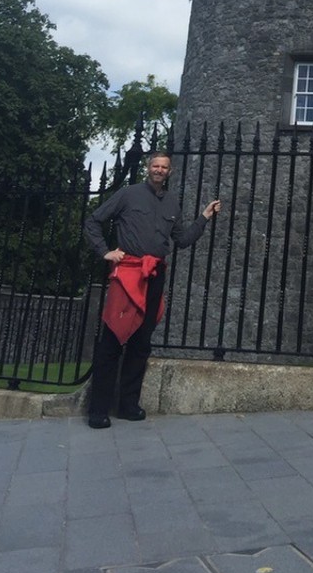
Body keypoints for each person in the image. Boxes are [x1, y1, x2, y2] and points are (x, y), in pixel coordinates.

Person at [83, 150, 220, 428]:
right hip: (128, 273)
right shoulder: (128, 194)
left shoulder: (171, 202)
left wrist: (204, 217)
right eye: (155, 165)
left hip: (155, 274)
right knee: (112, 337)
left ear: (170, 172)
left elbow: (181, 240)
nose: (159, 170)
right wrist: (105, 252)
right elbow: (93, 221)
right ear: (149, 168)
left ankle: (128, 405)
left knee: (141, 342)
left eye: (164, 167)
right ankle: (98, 409)